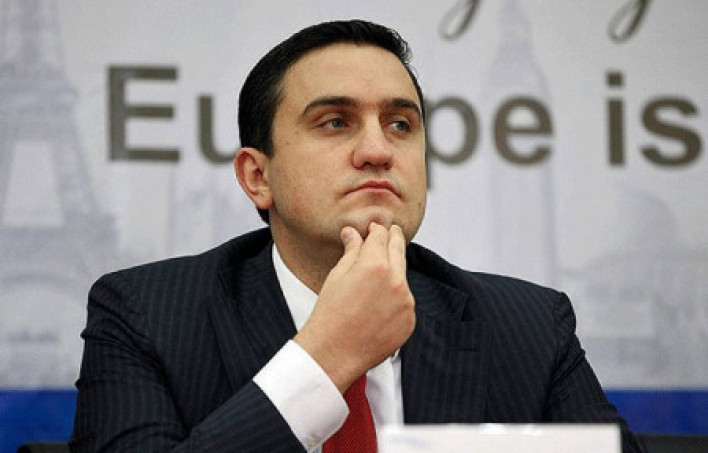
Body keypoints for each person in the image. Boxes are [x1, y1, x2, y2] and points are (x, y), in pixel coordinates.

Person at [71, 20, 645, 452]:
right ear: (257, 176)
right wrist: (325, 359)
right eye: (335, 122)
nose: (377, 150)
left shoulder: (528, 327)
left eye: (400, 124)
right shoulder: (146, 314)